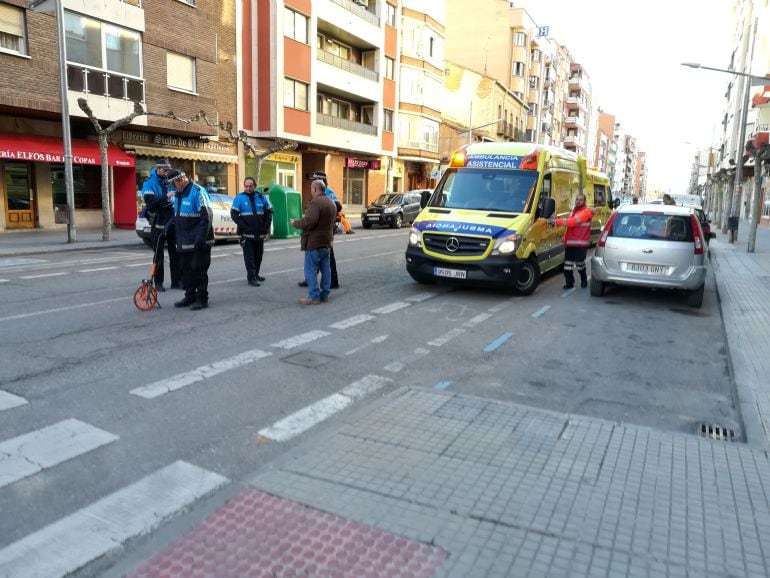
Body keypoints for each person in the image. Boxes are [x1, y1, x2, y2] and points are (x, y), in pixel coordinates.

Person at [165, 170, 214, 311]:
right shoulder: (179, 194)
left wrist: (201, 238)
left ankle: (202, 299)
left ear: (180, 180)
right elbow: (178, 215)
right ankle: (190, 296)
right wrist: (167, 227)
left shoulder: (197, 191)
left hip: (199, 239)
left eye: (173, 184)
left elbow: (206, 217)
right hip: (183, 239)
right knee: (185, 270)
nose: (173, 188)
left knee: (198, 270)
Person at [290, 179, 337, 305]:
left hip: (314, 242)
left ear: (315, 189)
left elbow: (310, 221)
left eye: (311, 189)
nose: (310, 191)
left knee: (310, 270)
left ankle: (313, 296)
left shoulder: (316, 202)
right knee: (326, 269)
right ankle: (325, 295)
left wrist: (296, 223)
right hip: (326, 241)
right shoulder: (331, 202)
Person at [141, 158, 180, 291]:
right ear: (158, 169)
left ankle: (176, 281)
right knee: (158, 256)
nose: (167, 172)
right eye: (165, 170)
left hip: (171, 221)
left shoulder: (170, 180)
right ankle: (158, 283)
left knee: (175, 254)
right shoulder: (149, 183)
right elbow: (150, 203)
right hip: (158, 222)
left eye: (168, 170)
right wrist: (166, 196)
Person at [298, 170, 342, 288]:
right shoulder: (320, 191)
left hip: (323, 229)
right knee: (317, 255)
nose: (312, 182)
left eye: (314, 179)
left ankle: (333, 282)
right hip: (320, 229)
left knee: (326, 256)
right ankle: (310, 279)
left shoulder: (327, 191)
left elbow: (338, 206)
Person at [231, 178, 273, 287]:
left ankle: (256, 274)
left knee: (258, 256)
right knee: (249, 258)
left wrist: (266, 226)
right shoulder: (239, 198)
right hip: (247, 235)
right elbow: (234, 214)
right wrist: (244, 226)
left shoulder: (261, 197)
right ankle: (251, 277)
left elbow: (269, 211)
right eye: (246, 186)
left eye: (250, 186)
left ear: (255, 186)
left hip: (260, 234)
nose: (248, 188)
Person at [552, 193, 593, 289]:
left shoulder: (586, 212)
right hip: (570, 243)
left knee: (579, 264)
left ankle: (583, 279)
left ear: (584, 201)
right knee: (567, 265)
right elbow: (569, 226)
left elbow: (573, 222)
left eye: (581, 200)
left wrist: (557, 221)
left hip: (580, 244)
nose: (578, 201)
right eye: (577, 199)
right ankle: (569, 283)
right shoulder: (573, 211)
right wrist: (565, 238)